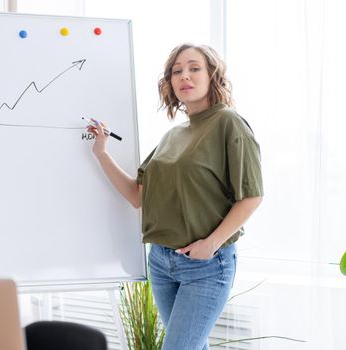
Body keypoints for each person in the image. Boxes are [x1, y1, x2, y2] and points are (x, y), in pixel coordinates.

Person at [87, 43, 263, 350]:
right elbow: (136, 195)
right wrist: (101, 152)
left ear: (213, 76)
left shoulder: (228, 123)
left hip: (206, 264)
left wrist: (212, 243)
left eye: (194, 68)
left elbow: (251, 196)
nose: (185, 76)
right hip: (161, 261)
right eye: (176, 71)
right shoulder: (173, 135)